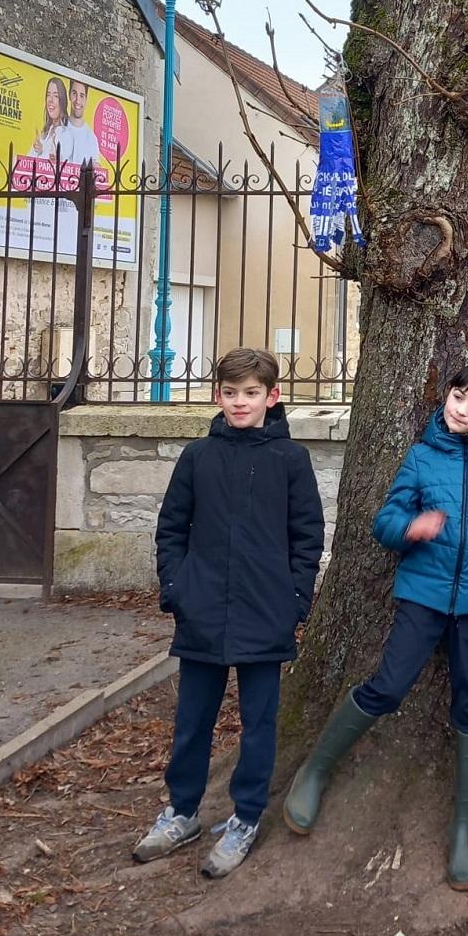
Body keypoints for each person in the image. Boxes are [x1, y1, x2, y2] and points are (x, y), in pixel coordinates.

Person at [282, 362, 468, 891]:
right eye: (458, 396)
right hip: (422, 592)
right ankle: (313, 773)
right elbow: (385, 521)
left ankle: (464, 830)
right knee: (388, 686)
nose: (461, 409)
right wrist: (412, 528)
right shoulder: (422, 457)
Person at [133, 346, 325, 879]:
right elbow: (171, 528)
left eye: (252, 393)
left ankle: (245, 817)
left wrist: (294, 600)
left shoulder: (291, 461)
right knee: (192, 721)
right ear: (218, 395)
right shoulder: (198, 457)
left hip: (266, 614)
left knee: (259, 724)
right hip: (202, 613)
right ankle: (182, 812)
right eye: (231, 392)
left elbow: (307, 537)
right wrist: (177, 589)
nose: (241, 402)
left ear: (273, 396)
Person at [30, 76, 70, 159]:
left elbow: (64, 163)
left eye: (56, 96)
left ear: (62, 100)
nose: (50, 100)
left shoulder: (67, 133)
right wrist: (38, 151)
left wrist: (44, 153)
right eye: (48, 95)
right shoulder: (45, 133)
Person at [64, 79, 102, 167]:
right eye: (74, 93)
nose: (77, 101)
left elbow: (96, 168)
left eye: (81, 96)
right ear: (69, 95)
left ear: (86, 99)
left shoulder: (91, 138)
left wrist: (96, 166)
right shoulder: (58, 127)